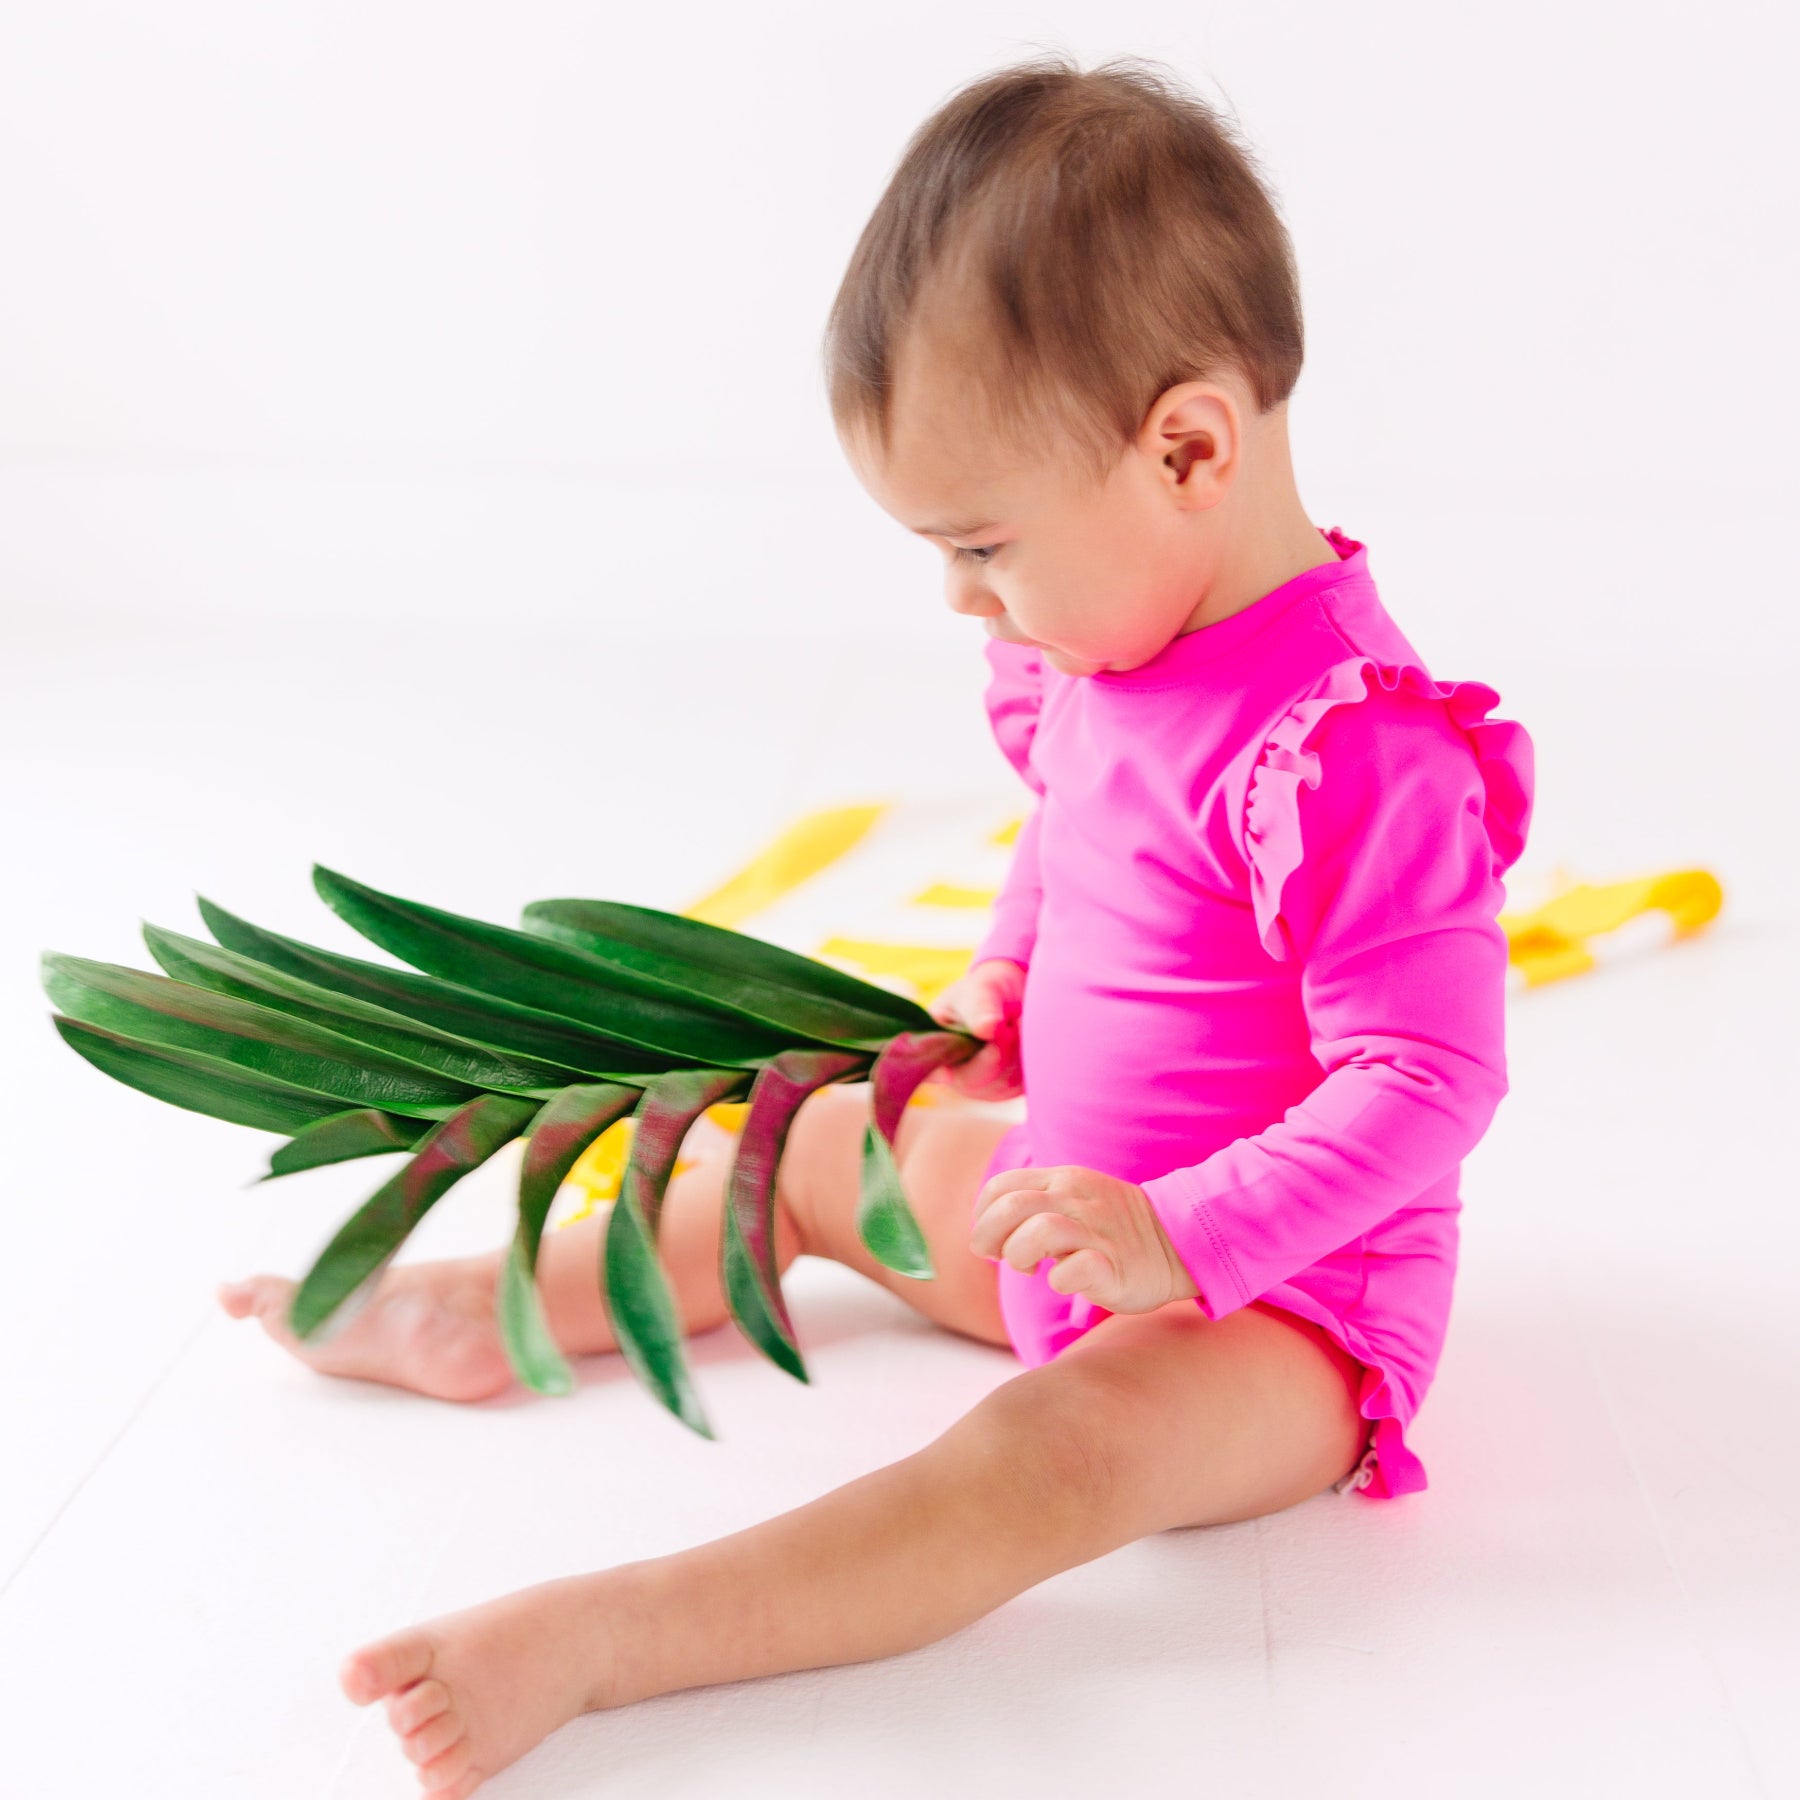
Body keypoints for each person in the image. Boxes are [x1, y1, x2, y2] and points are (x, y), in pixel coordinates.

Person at [216, 54, 1533, 1799]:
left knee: (1048, 1460)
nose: (959, 599)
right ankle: (504, 1312)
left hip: (1280, 1311)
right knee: (819, 1145)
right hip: (1076, 1206)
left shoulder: (1360, 754)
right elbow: (1073, 836)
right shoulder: (1105, 646)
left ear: (1190, 447)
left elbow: (1428, 1079)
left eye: (984, 545)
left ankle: (609, 1638)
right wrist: (1004, 972)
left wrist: (1184, 1237)